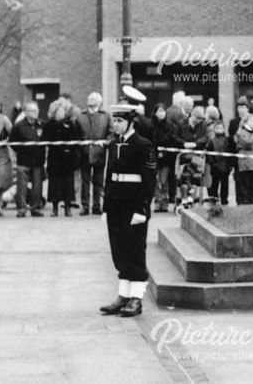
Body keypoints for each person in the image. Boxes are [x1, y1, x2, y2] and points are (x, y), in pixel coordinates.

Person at [98, 104, 156, 318]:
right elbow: (108, 176)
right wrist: (106, 207)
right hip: (116, 205)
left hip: (134, 206)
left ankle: (136, 298)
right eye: (114, 121)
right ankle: (123, 296)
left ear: (131, 122)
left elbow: (149, 180)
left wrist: (142, 208)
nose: (115, 124)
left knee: (134, 251)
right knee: (119, 250)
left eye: (120, 121)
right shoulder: (113, 145)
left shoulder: (143, 145)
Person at [9, 101, 47, 217]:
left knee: (37, 186)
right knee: (22, 186)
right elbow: (12, 142)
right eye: (32, 111)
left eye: (36, 110)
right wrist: (22, 151)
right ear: (25, 112)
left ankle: (35, 208)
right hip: (23, 160)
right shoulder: (18, 126)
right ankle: (21, 209)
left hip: (38, 161)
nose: (35, 113)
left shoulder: (42, 124)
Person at [75, 92, 110, 215]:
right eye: (90, 99)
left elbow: (110, 132)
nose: (92, 101)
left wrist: (105, 143)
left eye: (95, 100)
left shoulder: (105, 116)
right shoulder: (80, 116)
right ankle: (85, 206)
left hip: (99, 153)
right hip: (84, 153)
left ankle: (96, 205)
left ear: (100, 103)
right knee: (85, 181)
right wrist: (80, 145)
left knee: (98, 181)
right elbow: (76, 134)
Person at [44, 100, 79, 217]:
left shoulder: (70, 124)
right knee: (54, 184)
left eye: (63, 111)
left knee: (68, 184)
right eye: (60, 111)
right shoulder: (49, 125)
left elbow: (75, 139)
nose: (62, 113)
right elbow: (47, 140)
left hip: (68, 159)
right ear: (54, 112)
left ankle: (68, 208)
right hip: (55, 159)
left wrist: (70, 150)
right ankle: (54, 209)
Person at [150, 104, 183, 213]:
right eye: (159, 111)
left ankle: (164, 202)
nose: (161, 113)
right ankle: (157, 202)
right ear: (155, 112)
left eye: (163, 111)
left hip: (166, 158)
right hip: (153, 156)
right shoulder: (151, 125)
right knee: (155, 180)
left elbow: (172, 139)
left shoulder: (170, 126)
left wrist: (163, 152)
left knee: (164, 180)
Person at [233, 113, 253, 205]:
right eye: (251, 121)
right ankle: (246, 202)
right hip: (246, 162)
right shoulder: (242, 132)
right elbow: (247, 144)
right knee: (245, 184)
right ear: (245, 122)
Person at [205, 120, 231, 205]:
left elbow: (230, 152)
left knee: (225, 184)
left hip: (225, 166)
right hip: (215, 166)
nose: (219, 129)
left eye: (221, 128)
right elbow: (209, 153)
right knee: (214, 184)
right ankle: (214, 199)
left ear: (224, 129)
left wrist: (230, 164)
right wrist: (213, 163)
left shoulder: (227, 140)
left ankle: (224, 200)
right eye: (217, 128)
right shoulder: (211, 141)